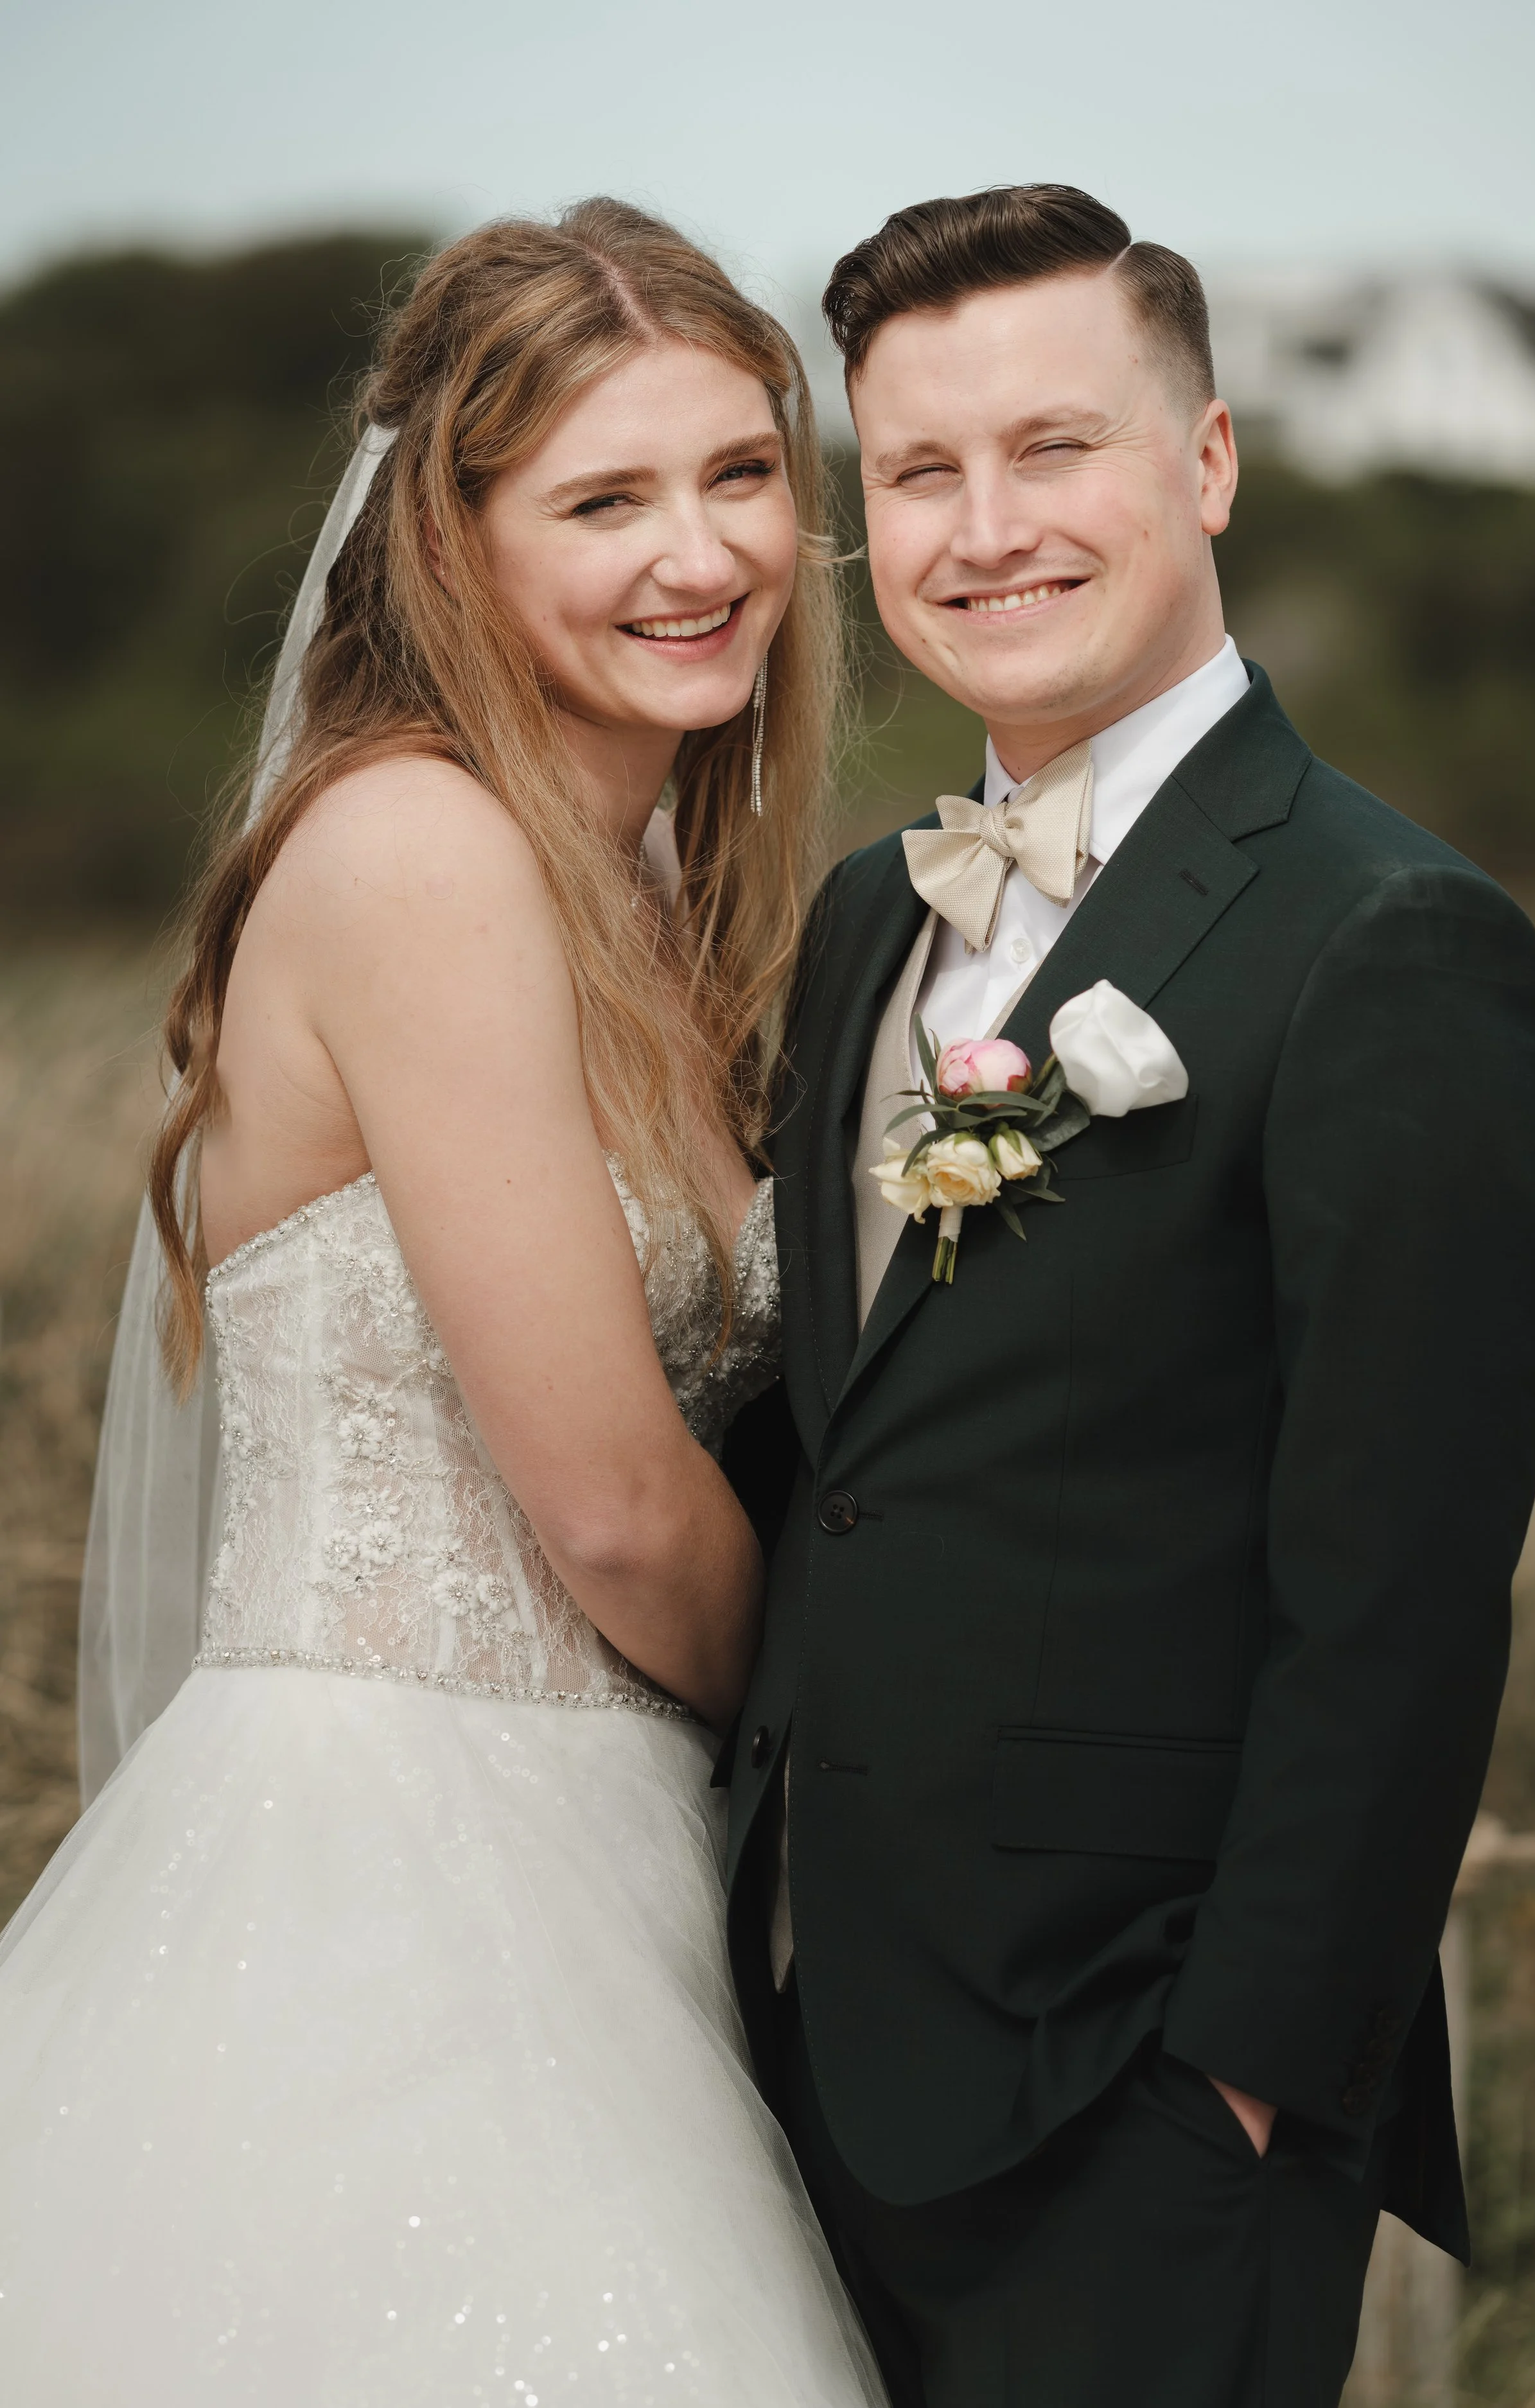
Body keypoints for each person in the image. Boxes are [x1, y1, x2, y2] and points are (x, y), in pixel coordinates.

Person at [0, 202, 886, 2407]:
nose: (700, 554)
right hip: (393, 1874)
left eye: (742, 472)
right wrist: (888, 1726)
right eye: (603, 498)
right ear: (449, 534)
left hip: (605, 1859)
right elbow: (602, 1502)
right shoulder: (424, 853)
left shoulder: (659, 898)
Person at [720, 185, 1535, 2408]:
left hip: (1135, 2099)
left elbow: (1395, 1592)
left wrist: (1239, 2098)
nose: (982, 527)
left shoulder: (1391, 936)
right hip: (795, 2046)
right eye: (918, 472)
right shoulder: (855, 928)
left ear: (1203, 462)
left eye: (1054, 449)